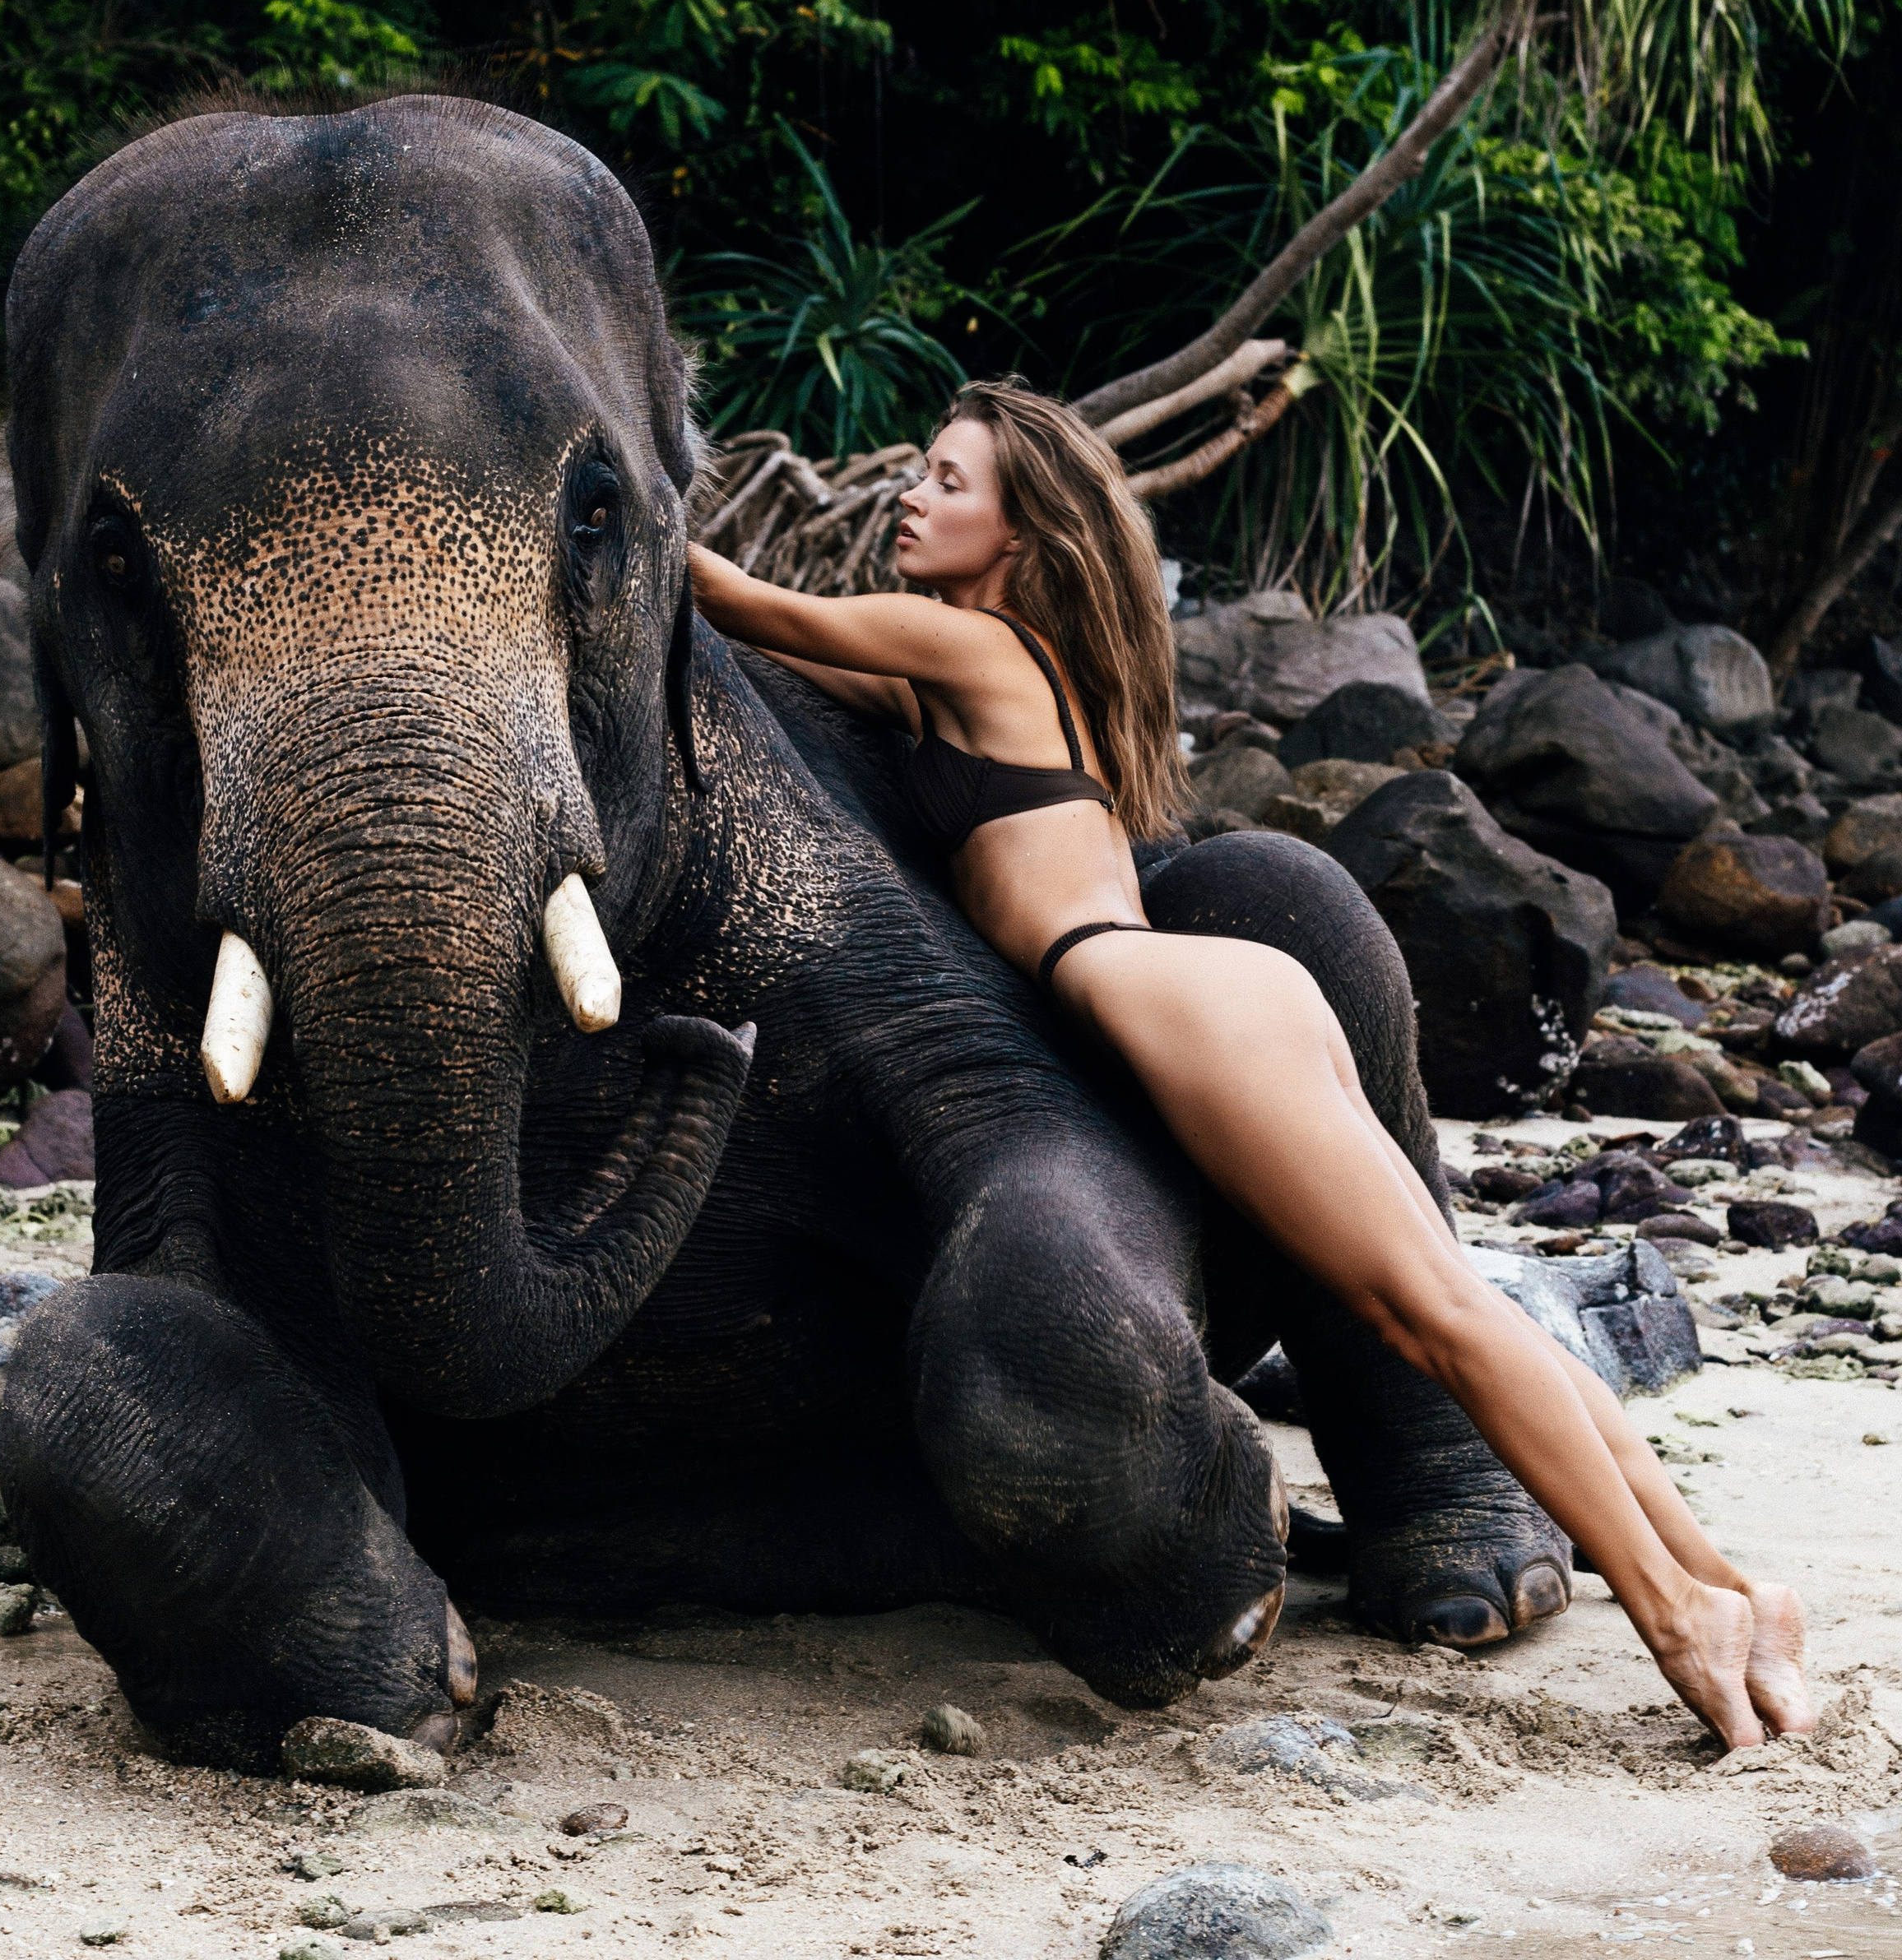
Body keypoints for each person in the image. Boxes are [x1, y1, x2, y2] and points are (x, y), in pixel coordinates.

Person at [687, 375, 1812, 1751]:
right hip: (1218, 989)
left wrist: (611, 475)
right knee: (1457, 1298)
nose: (910, 496)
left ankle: (1672, 1613)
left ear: (1023, 534)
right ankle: (1730, 1581)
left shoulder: (957, 647)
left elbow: (741, 602)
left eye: (948, 481)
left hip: (1165, 997)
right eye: (919, 472)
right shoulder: (994, 664)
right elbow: (812, 677)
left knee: (1428, 1320)